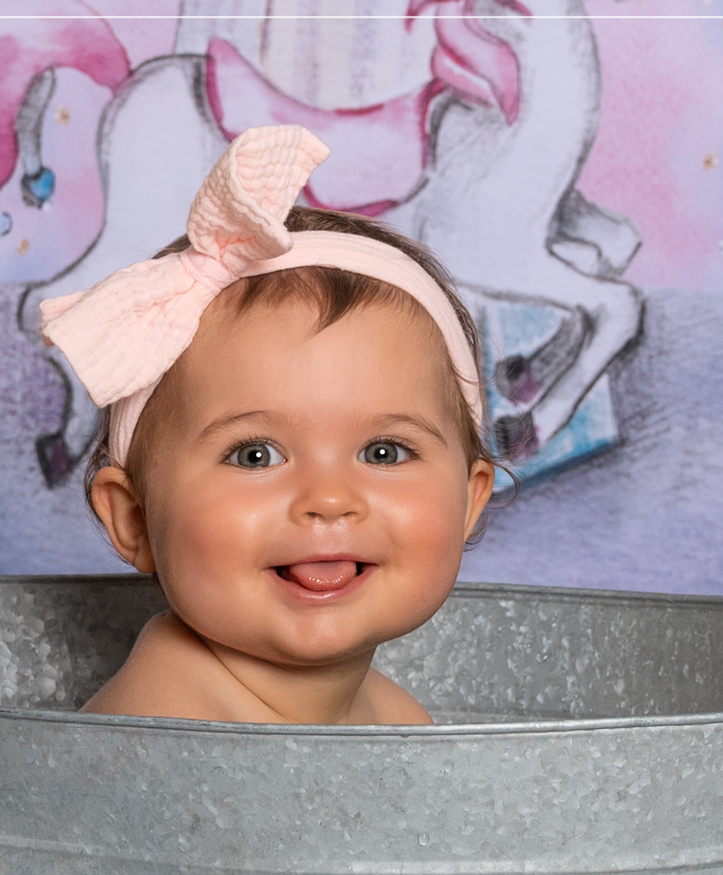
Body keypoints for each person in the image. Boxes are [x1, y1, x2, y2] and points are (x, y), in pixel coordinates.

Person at [39, 125, 496, 725]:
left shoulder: (395, 719)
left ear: (469, 497)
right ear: (135, 519)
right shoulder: (166, 735)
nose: (329, 499)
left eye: (384, 452)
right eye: (255, 456)